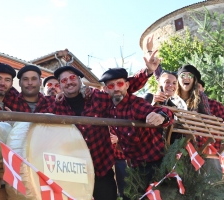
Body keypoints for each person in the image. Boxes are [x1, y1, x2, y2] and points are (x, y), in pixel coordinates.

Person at [45, 51, 160, 200]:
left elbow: (119, 89)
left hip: (101, 168)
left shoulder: (97, 98)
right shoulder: (56, 107)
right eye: (63, 80)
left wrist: (148, 71)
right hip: (73, 171)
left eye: (72, 77)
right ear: (60, 85)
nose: (68, 82)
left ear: (80, 80)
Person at [99, 68, 174, 197]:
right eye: (111, 85)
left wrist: (161, 116)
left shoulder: (135, 104)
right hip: (135, 165)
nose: (116, 88)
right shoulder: (108, 107)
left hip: (155, 163)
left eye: (120, 84)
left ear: (127, 85)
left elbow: (165, 113)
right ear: (106, 89)